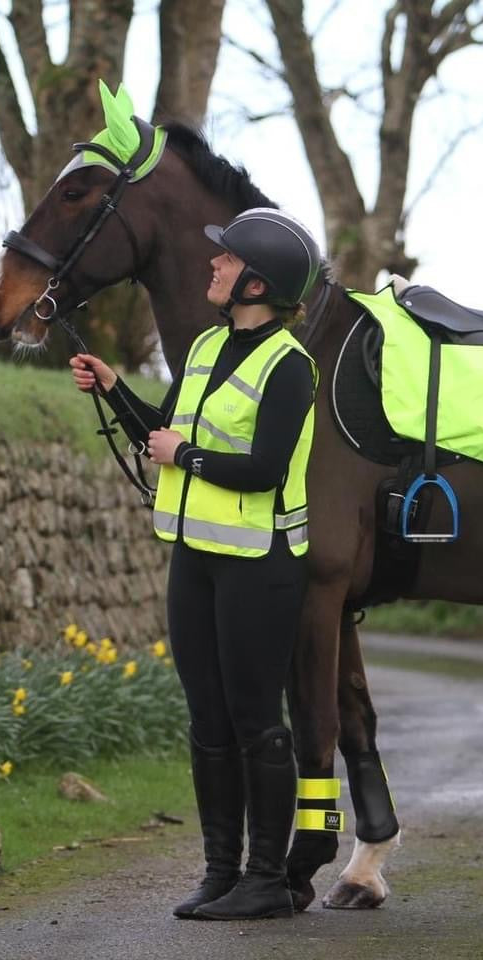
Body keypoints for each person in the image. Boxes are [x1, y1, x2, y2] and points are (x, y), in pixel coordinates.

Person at [70, 208, 320, 921]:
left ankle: (267, 879)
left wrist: (184, 456)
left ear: (258, 283)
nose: (213, 265)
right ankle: (220, 874)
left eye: (227, 259)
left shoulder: (290, 365)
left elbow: (264, 467)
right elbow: (164, 431)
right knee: (207, 720)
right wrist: (115, 385)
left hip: (258, 566)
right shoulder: (208, 348)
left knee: (254, 721)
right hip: (196, 559)